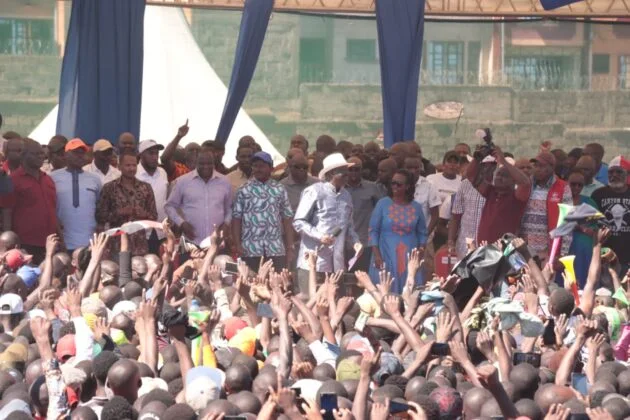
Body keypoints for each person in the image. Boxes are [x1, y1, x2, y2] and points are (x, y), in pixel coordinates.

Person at [293, 153, 362, 295]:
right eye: (341, 172)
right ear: (331, 174)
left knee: (335, 304)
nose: (346, 175)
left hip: (337, 264)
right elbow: (299, 221)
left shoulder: (346, 196)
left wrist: (355, 242)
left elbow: (348, 226)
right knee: (310, 302)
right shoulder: (314, 191)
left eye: (346, 171)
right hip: (313, 262)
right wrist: (319, 236)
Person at [232, 151, 294, 271]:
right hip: (250, 249)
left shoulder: (279, 189)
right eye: (255, 166)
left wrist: (290, 246)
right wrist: (237, 244)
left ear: (271, 168)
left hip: (275, 249)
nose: (258, 169)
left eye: (262, 166)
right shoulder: (243, 190)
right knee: (251, 285)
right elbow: (236, 219)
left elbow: (286, 218)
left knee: (277, 284)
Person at [368, 169, 427, 293]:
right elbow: (373, 231)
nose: (394, 186)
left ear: (408, 186)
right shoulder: (382, 204)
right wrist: (377, 255)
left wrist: (421, 250)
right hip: (385, 253)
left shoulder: (416, 207)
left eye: (399, 184)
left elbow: (422, 232)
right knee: (385, 290)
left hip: (409, 255)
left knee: (410, 290)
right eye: (393, 183)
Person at [0, 138, 57, 263]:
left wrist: (60, 239)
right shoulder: (12, 180)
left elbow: (53, 211)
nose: (41, 156)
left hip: (50, 243)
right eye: (36, 154)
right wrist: (9, 245)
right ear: (24, 155)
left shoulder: (48, 180)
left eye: (42, 153)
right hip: (25, 244)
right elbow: (7, 212)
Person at [165, 148, 232, 246]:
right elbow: (169, 206)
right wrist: (181, 223)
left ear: (214, 163)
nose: (206, 166)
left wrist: (226, 224)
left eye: (209, 163)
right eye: (202, 163)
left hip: (217, 242)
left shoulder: (225, 182)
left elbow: (230, 208)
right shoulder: (182, 182)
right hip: (190, 241)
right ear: (196, 163)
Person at [96, 151, 158, 256]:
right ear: (119, 167)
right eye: (128, 165)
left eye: (134, 165)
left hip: (140, 245)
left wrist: (144, 214)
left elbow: (154, 216)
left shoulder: (146, 188)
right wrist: (119, 212)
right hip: (116, 245)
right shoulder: (109, 188)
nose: (131, 168)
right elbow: (100, 216)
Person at [468, 147, 531, 245]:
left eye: (504, 176)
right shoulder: (491, 191)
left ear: (513, 180)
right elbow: (471, 176)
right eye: (498, 175)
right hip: (484, 249)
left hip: (504, 250)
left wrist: (504, 161)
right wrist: (477, 157)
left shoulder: (517, 197)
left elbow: (525, 183)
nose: (499, 178)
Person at [51, 139, 101, 254]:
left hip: (89, 242)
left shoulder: (95, 179)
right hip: (62, 241)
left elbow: (99, 208)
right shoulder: (52, 178)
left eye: (82, 153)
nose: (79, 156)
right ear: (65, 155)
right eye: (75, 153)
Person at [448, 156, 496, 259]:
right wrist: (451, 241)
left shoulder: (499, 185)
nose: (487, 169)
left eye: (491, 166)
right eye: (483, 166)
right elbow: (456, 215)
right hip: (465, 245)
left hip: (490, 246)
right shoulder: (465, 184)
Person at [592, 156, 630, 272]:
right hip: (604, 254)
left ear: (628, 174)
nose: (614, 175)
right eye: (611, 172)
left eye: (619, 172)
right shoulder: (598, 194)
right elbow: (592, 223)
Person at [346, 157, 384, 271]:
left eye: (357, 169)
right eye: (350, 169)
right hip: (344, 243)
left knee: (363, 278)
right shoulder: (340, 188)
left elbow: (381, 211)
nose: (353, 172)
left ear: (361, 170)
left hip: (365, 242)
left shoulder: (372, 188)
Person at [566, 169, 596, 287]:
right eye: (573, 184)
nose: (576, 187)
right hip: (565, 248)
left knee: (583, 282)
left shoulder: (589, 202)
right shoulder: (559, 199)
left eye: (580, 185)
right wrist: (580, 227)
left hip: (584, 251)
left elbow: (596, 226)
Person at [407, 157, 441, 235]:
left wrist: (425, 236)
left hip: (423, 238)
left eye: (416, 168)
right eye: (409, 168)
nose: (413, 171)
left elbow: (435, 216)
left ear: (420, 168)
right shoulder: (398, 186)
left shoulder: (429, 186)